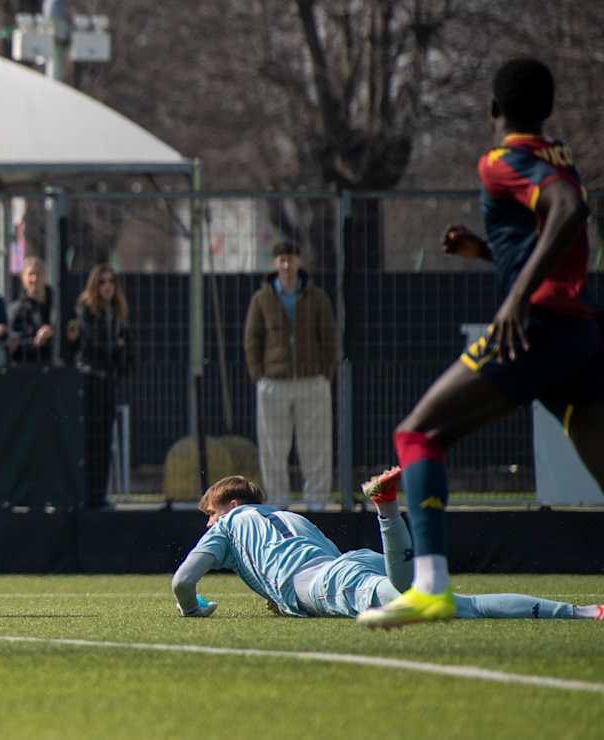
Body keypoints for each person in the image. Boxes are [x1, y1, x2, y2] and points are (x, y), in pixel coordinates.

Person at [358, 58, 604, 628]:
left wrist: (517, 297)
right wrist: (489, 253)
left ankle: (430, 589)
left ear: (493, 108)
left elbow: (569, 211)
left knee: (417, 434)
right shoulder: (559, 155)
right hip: (578, 331)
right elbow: (558, 230)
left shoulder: (499, 161)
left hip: (536, 327)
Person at [171, 472, 603, 621]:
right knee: (449, 600)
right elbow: (304, 562)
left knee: (457, 608)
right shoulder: (289, 516)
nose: (208, 522)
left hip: (333, 582)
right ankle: (582, 611)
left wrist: (193, 609)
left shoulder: (230, 524)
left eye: (210, 513)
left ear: (231, 506)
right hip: (351, 563)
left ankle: (387, 508)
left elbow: (183, 582)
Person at [244, 241, 337, 510]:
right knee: (273, 446)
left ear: (299, 262)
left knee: (316, 445)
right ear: (275, 263)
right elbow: (252, 339)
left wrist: (325, 373)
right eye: (282, 260)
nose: (286, 265)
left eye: (291, 259)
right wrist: (259, 374)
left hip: (312, 380)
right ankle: (277, 504)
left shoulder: (317, 297)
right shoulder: (261, 299)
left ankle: (317, 503)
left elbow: (329, 337)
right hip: (274, 381)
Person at [66, 264, 136, 508]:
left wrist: (118, 352)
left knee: (105, 440)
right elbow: (92, 345)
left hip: (108, 381)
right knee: (89, 440)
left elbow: (128, 350)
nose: (107, 287)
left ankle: (100, 495)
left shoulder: (117, 314)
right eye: (102, 282)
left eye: (111, 282)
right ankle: (86, 496)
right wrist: (115, 347)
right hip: (89, 380)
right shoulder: (85, 310)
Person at [7, 256, 58, 365]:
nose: (34, 279)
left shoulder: (58, 304)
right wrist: (35, 342)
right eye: (30, 274)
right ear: (23, 278)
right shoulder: (16, 310)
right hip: (28, 368)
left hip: (58, 366)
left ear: (45, 276)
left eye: (38, 274)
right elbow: (13, 344)